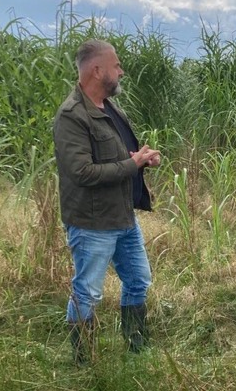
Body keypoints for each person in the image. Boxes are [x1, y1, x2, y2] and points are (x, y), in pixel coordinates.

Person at [53, 39, 161, 364]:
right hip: (93, 222)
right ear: (97, 70)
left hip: (123, 216)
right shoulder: (72, 116)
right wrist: (132, 164)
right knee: (87, 291)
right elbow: (82, 171)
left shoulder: (111, 110)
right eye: (116, 66)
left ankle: (136, 348)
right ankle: (83, 361)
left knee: (138, 280)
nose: (121, 71)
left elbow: (116, 157)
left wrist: (141, 158)